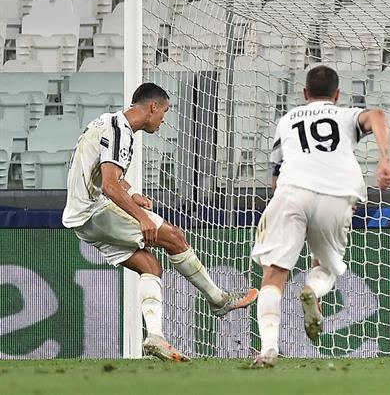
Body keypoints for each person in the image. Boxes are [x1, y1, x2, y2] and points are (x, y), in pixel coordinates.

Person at [63, 83, 259, 362]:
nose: (164, 119)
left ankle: (155, 337)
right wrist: (141, 217)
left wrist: (132, 195)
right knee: (175, 237)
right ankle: (218, 299)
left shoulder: (109, 123)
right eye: (164, 111)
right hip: (95, 210)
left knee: (150, 266)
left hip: (80, 216)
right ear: (152, 107)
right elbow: (108, 185)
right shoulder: (121, 132)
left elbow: (106, 175)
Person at [250, 65, 390, 368]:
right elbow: (378, 115)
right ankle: (312, 291)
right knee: (326, 266)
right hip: (337, 193)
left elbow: (276, 175)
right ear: (337, 94)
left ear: (305, 94)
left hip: (292, 191)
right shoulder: (344, 116)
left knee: (274, 273)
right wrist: (384, 159)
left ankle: (268, 350)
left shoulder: (287, 120)